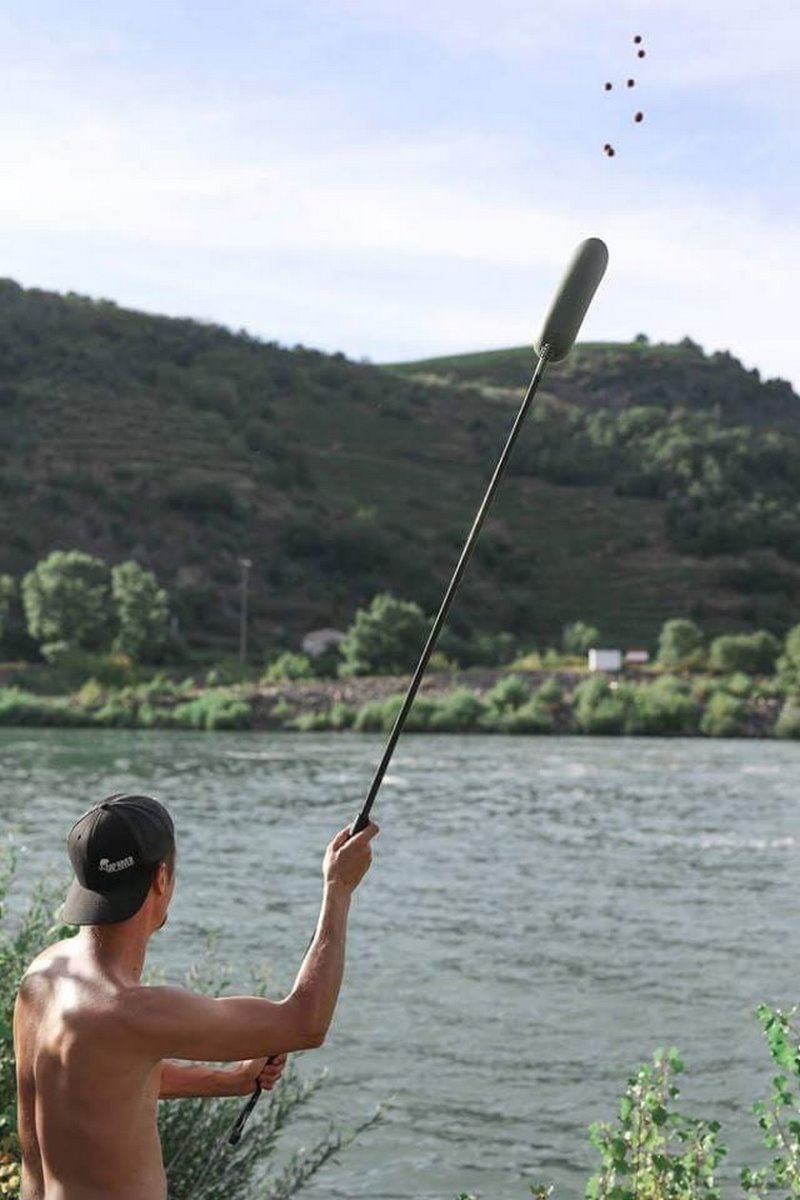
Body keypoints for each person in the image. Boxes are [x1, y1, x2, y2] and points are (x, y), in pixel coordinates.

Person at [13, 793, 378, 1200]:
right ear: (162, 879)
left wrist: (229, 1081)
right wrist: (338, 889)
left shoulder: (43, 977)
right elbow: (305, 1024)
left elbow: (104, 1083)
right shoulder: (134, 1010)